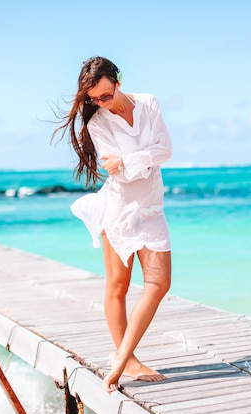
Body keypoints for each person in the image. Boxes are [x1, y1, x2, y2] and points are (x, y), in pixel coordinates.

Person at [53, 56, 172, 392]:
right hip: (118, 207)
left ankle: (119, 356)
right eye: (93, 100)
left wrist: (134, 159)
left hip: (151, 207)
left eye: (105, 96)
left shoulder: (148, 103)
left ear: (117, 80)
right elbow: (117, 170)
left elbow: (166, 150)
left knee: (160, 284)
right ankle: (127, 359)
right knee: (117, 286)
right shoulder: (97, 124)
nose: (100, 104)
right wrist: (142, 158)